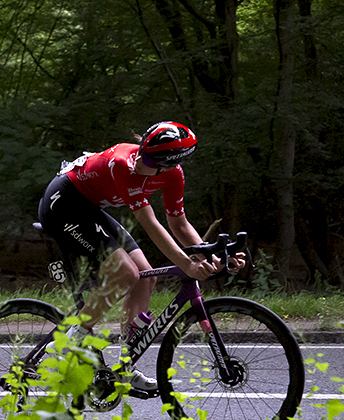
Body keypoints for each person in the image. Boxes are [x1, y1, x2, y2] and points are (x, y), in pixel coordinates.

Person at [36, 121, 242, 393]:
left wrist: (210, 254)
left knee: (145, 279)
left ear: (168, 164)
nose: (140, 162)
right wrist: (187, 264)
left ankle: (124, 366)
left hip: (88, 208)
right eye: (142, 153)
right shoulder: (123, 164)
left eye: (149, 160)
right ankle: (69, 340)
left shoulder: (173, 175)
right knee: (126, 273)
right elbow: (151, 224)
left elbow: (179, 224)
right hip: (62, 204)